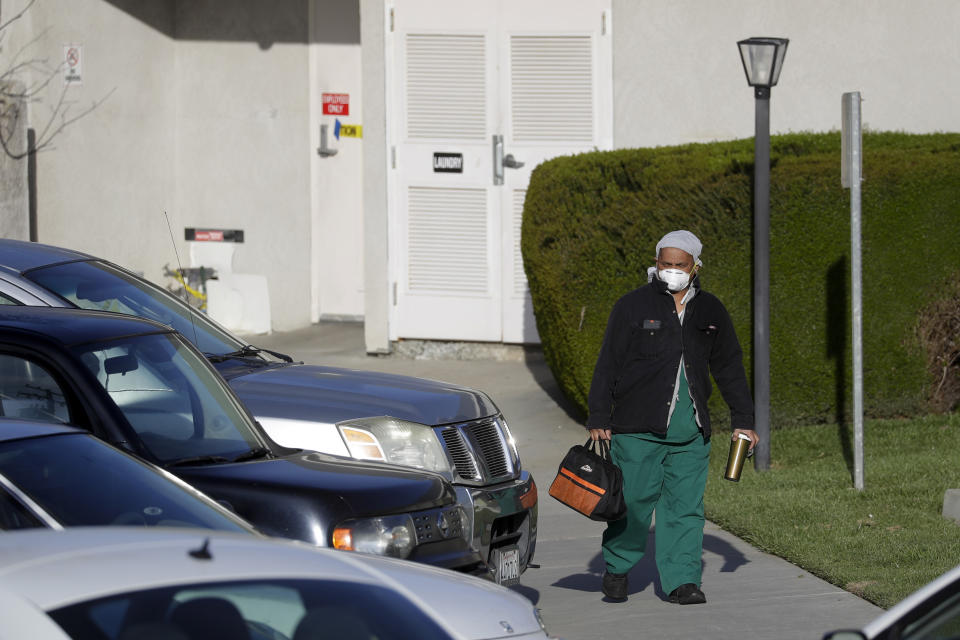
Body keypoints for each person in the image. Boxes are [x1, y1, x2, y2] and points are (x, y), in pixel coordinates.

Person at [586, 229, 757, 605]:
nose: (672, 271)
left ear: (695, 267)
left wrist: (743, 419)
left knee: (685, 509)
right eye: (666, 264)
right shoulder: (632, 307)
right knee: (632, 503)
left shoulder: (711, 311)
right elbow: (608, 363)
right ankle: (616, 568)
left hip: (690, 434)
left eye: (680, 266)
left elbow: (729, 367)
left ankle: (682, 581)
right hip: (636, 430)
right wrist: (599, 413)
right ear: (656, 261)